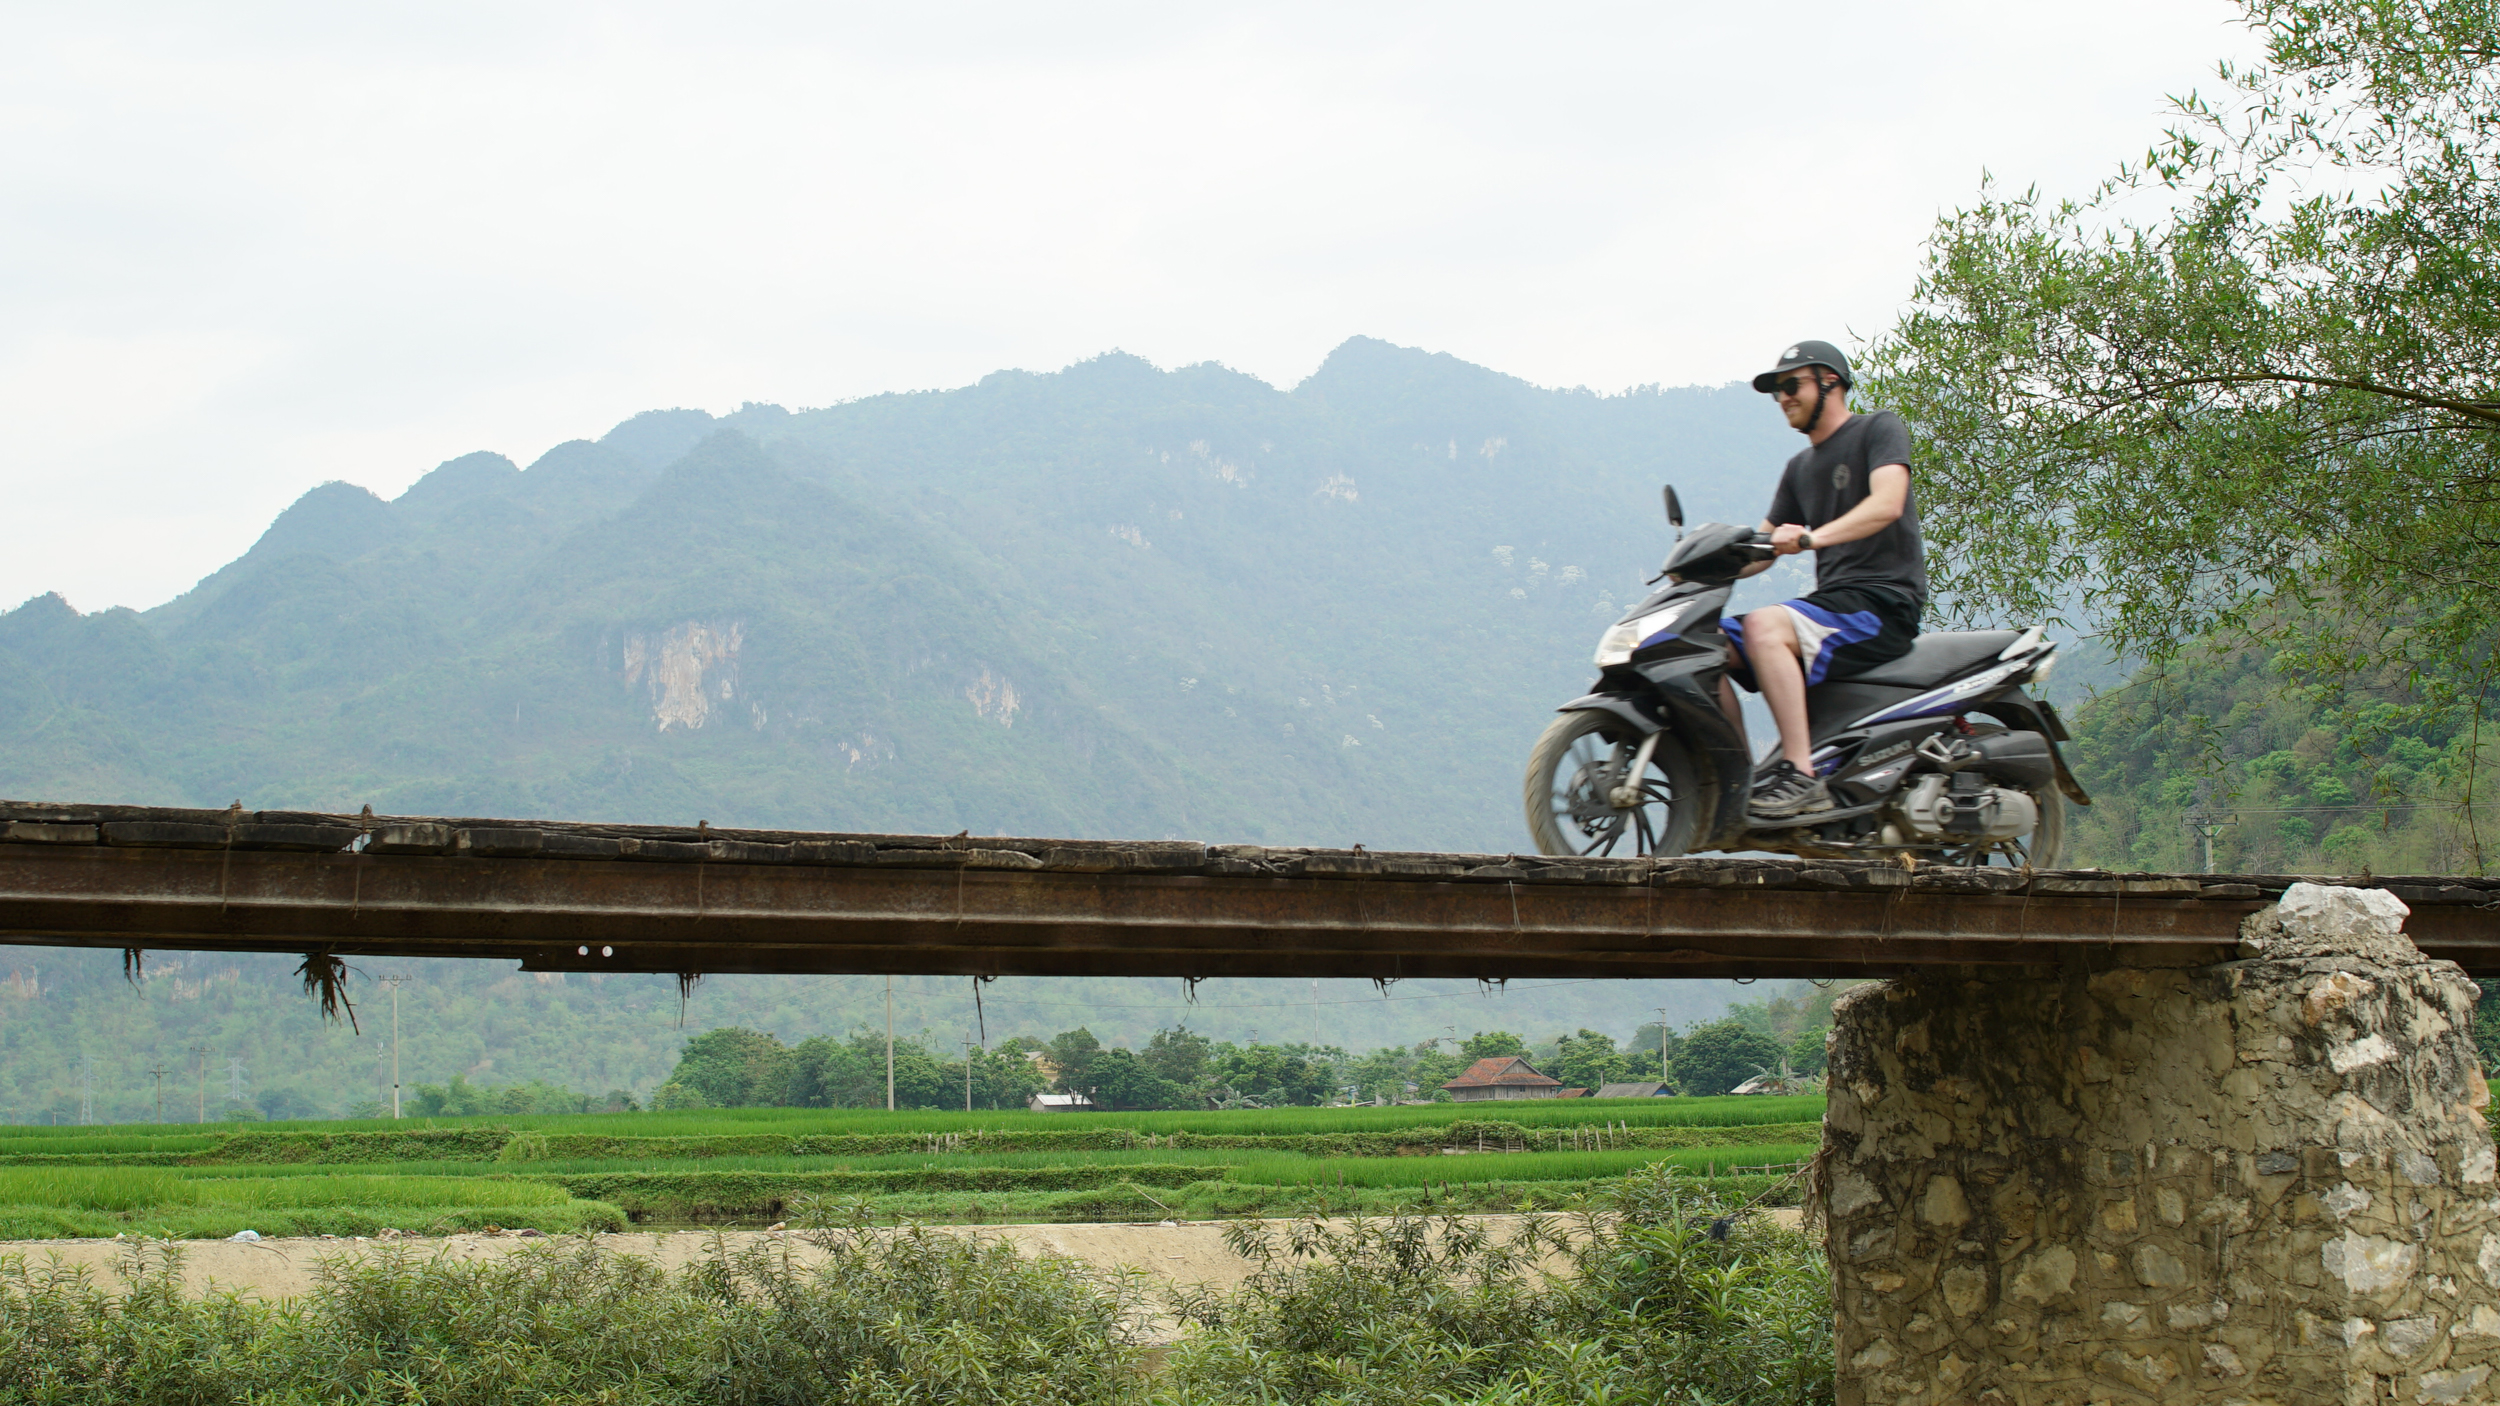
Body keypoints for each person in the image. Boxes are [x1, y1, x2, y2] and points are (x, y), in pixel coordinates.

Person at [1720, 340, 1926, 821]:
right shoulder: (1799, 468)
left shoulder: (1878, 428)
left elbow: (1887, 503)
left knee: (1765, 626)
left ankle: (1801, 773)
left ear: (1830, 381)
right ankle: (1733, 783)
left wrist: (1811, 538)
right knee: (1704, 647)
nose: (1784, 398)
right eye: (1777, 393)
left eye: (1792, 385)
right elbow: (1763, 549)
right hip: (1832, 605)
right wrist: (1706, 566)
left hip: (1881, 603)